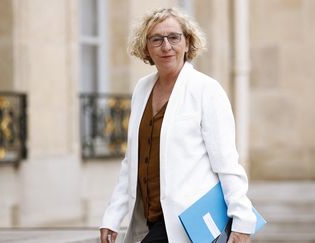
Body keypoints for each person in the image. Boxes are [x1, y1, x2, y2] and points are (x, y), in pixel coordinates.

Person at [100, 7, 256, 243]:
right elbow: (131, 162)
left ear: (187, 42)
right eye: (156, 39)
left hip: (190, 221)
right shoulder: (142, 90)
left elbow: (227, 163)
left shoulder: (206, 89)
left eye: (174, 37)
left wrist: (242, 221)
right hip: (151, 217)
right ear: (146, 47)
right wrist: (112, 217)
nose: (166, 46)